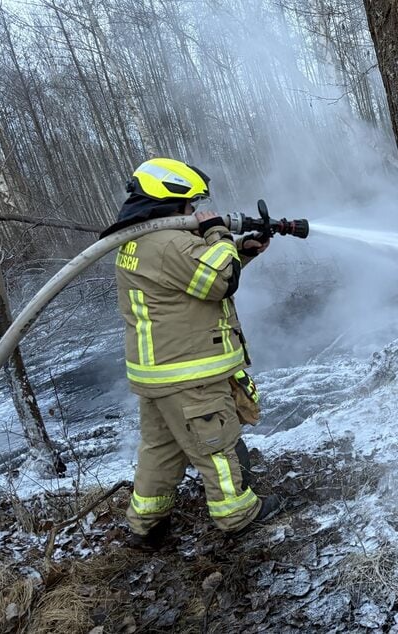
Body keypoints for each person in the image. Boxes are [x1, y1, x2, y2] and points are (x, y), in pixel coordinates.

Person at [101, 158, 282, 551]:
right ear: (170, 201)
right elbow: (218, 281)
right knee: (217, 447)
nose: (193, 211)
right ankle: (238, 515)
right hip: (189, 374)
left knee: (160, 452)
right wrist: (217, 232)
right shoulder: (168, 242)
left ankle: (146, 526)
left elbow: (191, 279)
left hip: (158, 375)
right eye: (190, 204)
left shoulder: (140, 241)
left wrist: (241, 250)